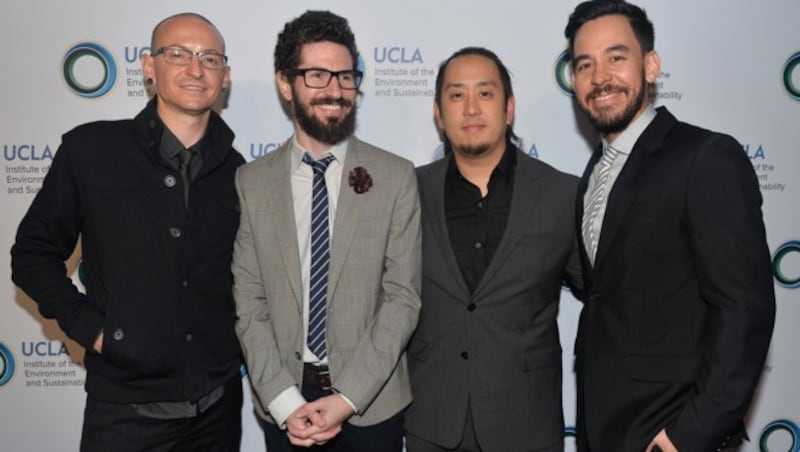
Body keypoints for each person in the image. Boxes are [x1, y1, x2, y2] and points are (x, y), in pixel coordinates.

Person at [11, 12, 244, 451]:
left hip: (218, 409)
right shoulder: (91, 150)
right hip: (124, 413)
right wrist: (94, 329)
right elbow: (32, 255)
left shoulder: (239, 172)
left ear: (225, 76)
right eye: (177, 54)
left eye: (209, 59)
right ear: (148, 67)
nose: (195, 69)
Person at [564, 1, 776, 451]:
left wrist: (687, 436)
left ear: (651, 65)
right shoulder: (593, 174)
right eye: (586, 64)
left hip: (669, 432)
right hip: (601, 429)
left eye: (616, 58)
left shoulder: (705, 157)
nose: (600, 77)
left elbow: (744, 311)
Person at [232, 10, 421, 452]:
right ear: (286, 83)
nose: (334, 90)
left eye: (345, 75)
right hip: (286, 403)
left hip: (372, 404)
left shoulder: (395, 176)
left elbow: (402, 297)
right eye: (316, 75)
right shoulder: (251, 182)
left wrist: (346, 398)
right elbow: (249, 301)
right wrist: (282, 401)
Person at [404, 47, 584, 452]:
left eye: (485, 94)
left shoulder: (562, 195)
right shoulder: (406, 192)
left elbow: (606, 301)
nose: (471, 108)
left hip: (527, 426)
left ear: (509, 108)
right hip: (432, 424)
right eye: (456, 95)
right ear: (438, 112)